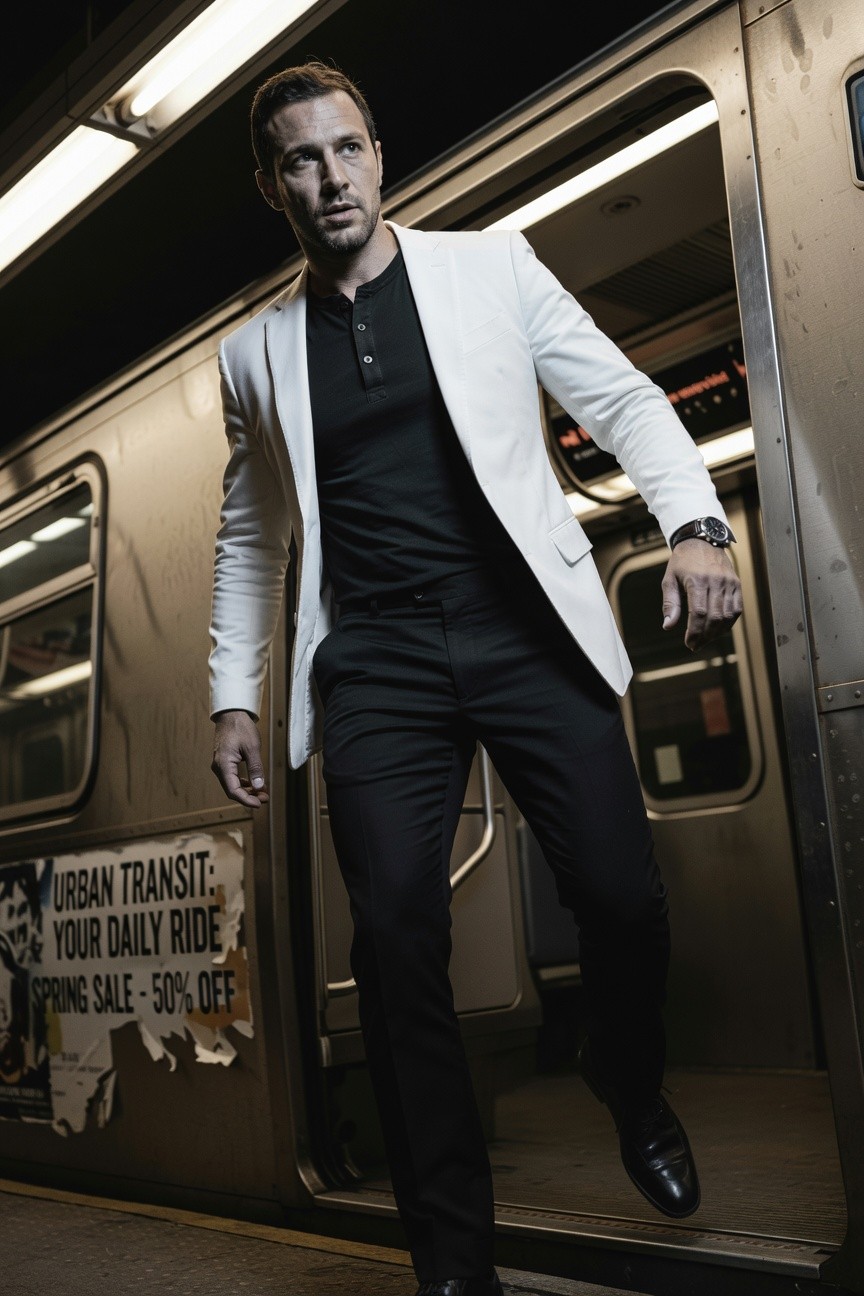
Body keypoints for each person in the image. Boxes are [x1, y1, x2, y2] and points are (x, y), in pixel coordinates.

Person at [209, 60, 743, 1296]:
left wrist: (698, 527)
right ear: (271, 185)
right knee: (397, 945)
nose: (329, 178)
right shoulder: (256, 357)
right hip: (379, 663)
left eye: (345, 150)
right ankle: (454, 1257)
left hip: (521, 627)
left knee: (621, 900)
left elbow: (622, 400)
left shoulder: (489, 268)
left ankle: (628, 1075)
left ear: (378, 154)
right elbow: (251, 537)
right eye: (300, 160)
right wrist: (237, 691)